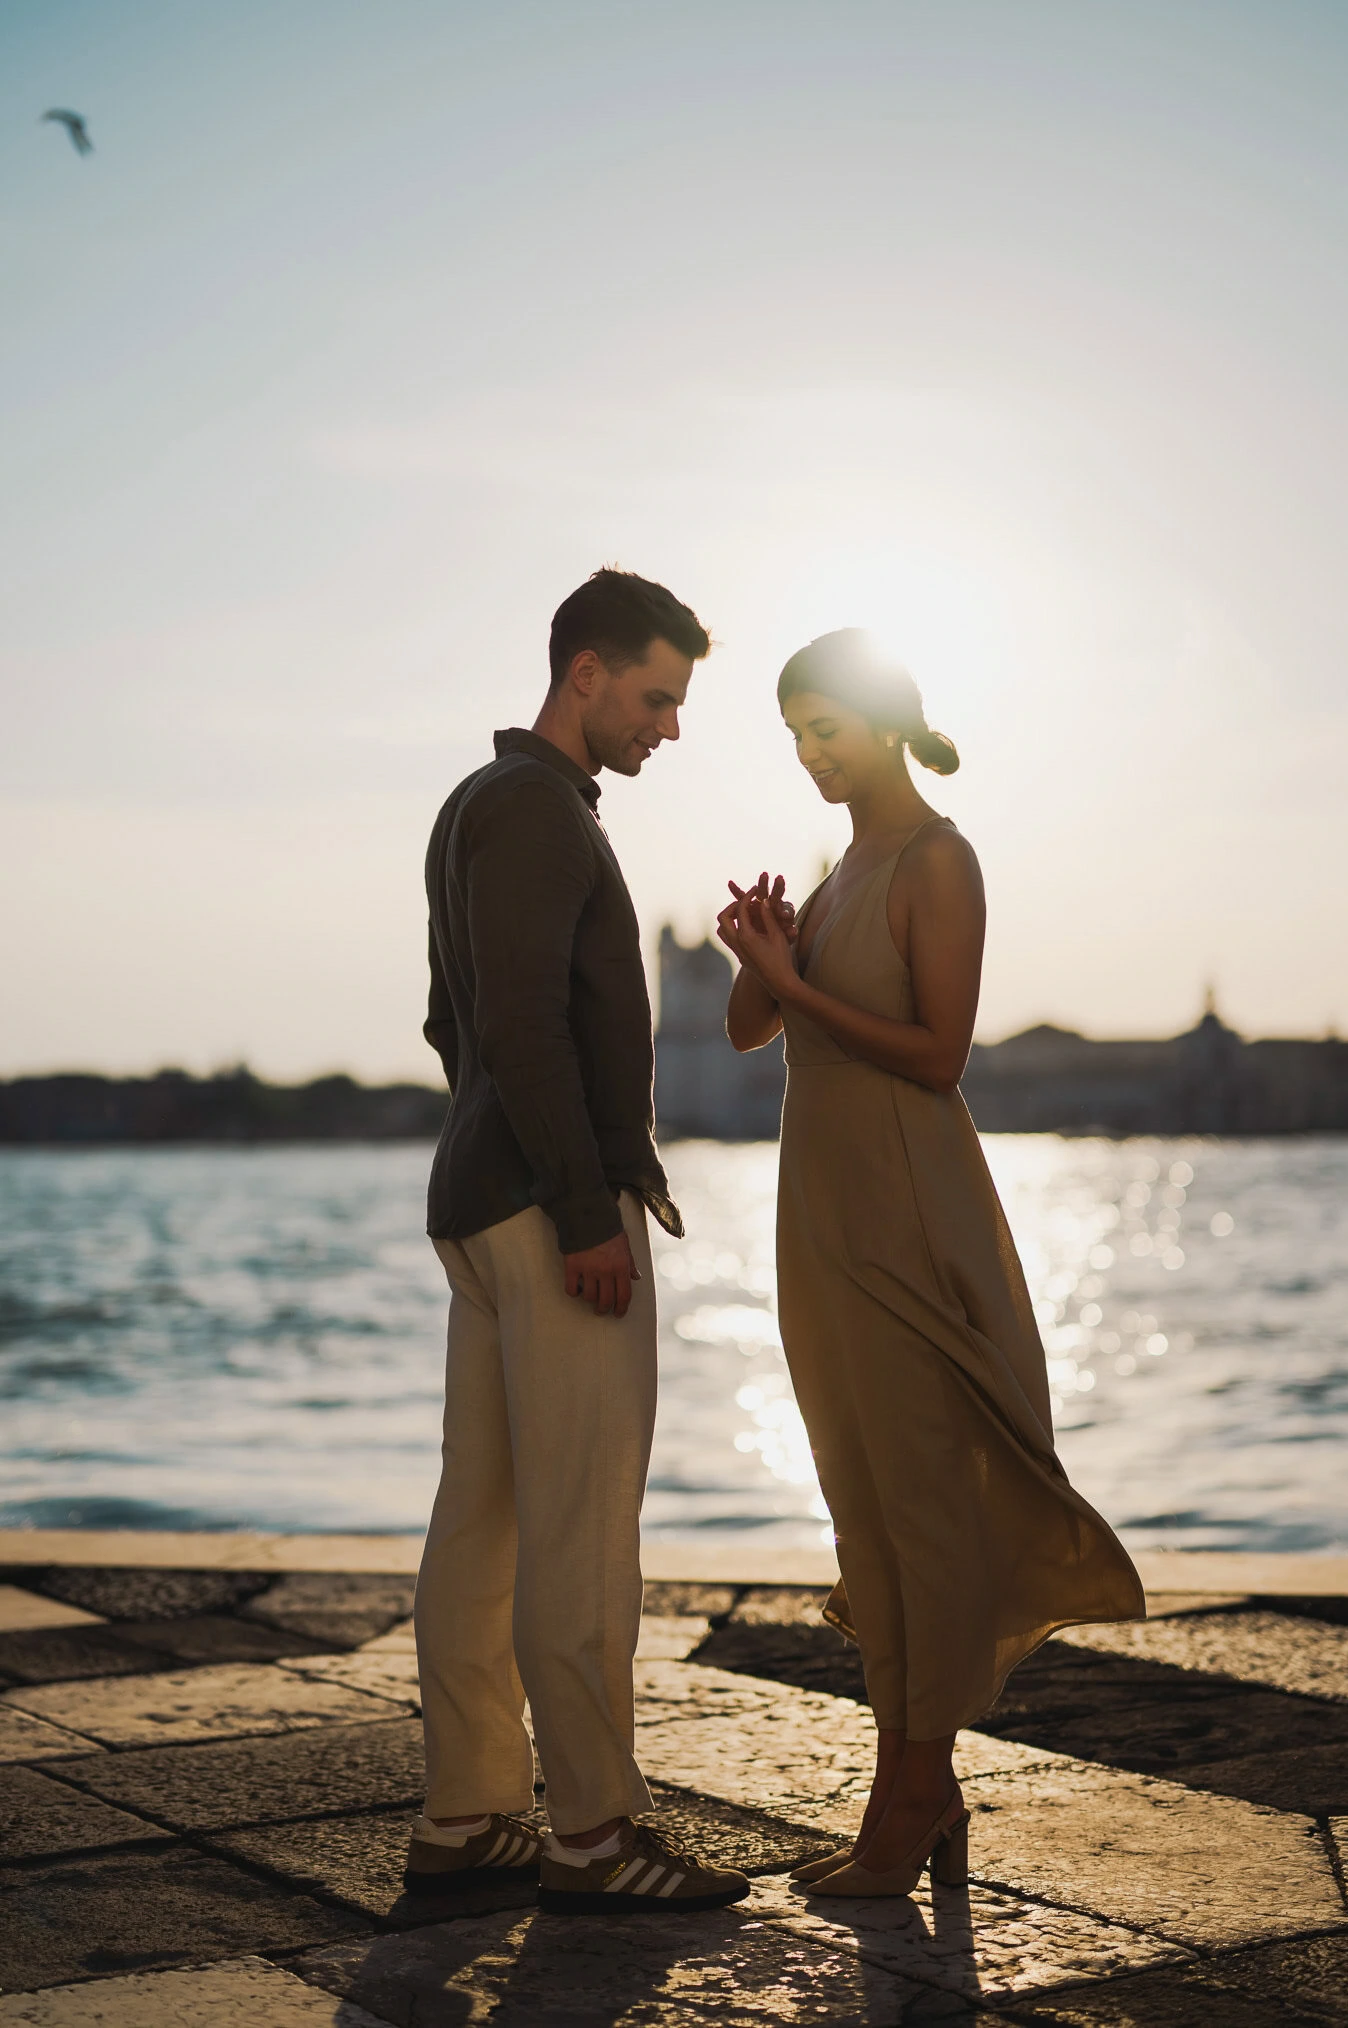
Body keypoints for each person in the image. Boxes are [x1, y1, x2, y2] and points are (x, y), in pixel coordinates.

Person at [718, 628, 1144, 1898]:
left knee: (922, 1500)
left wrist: (796, 979)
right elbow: (753, 1028)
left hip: (908, 1205)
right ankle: (913, 1785)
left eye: (824, 730)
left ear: (881, 721)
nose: (807, 755)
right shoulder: (838, 871)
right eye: (791, 735)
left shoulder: (935, 862)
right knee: (861, 1503)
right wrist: (761, 953)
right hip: (820, 1216)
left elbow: (936, 1051)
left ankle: (909, 1789)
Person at [408, 569, 751, 1916]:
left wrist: (510, 1161)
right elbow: (525, 1025)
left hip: (479, 1194)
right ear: (587, 672)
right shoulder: (540, 814)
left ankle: (469, 1814)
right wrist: (581, 1206)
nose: (669, 725)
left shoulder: (477, 809)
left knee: (483, 1519)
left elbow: (457, 1024)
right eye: (659, 696)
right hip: (552, 1213)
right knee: (583, 1526)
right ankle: (597, 1832)